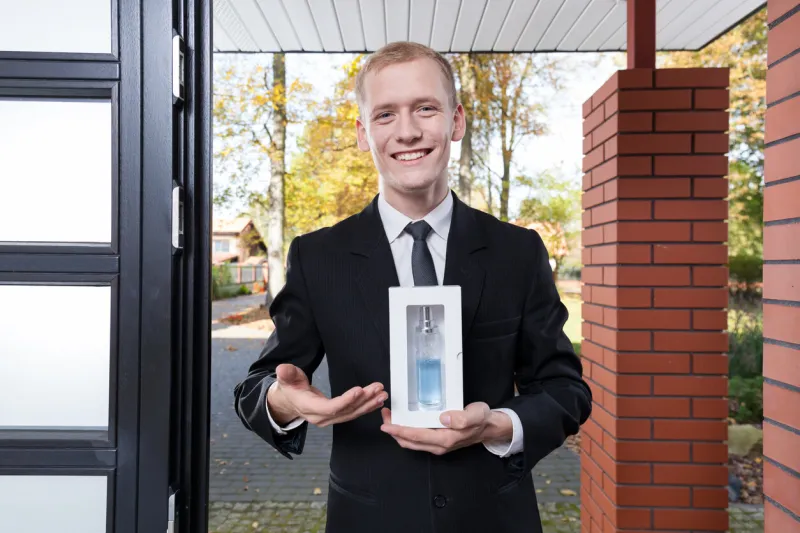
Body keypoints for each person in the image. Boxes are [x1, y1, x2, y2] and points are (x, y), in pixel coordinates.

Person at [233, 41, 591, 533]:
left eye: (425, 108)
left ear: (456, 121)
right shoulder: (318, 258)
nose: (407, 131)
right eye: (385, 114)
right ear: (363, 133)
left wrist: (495, 426)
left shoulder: (518, 252)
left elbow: (565, 390)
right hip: (368, 519)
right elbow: (257, 387)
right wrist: (284, 399)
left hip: (494, 518)